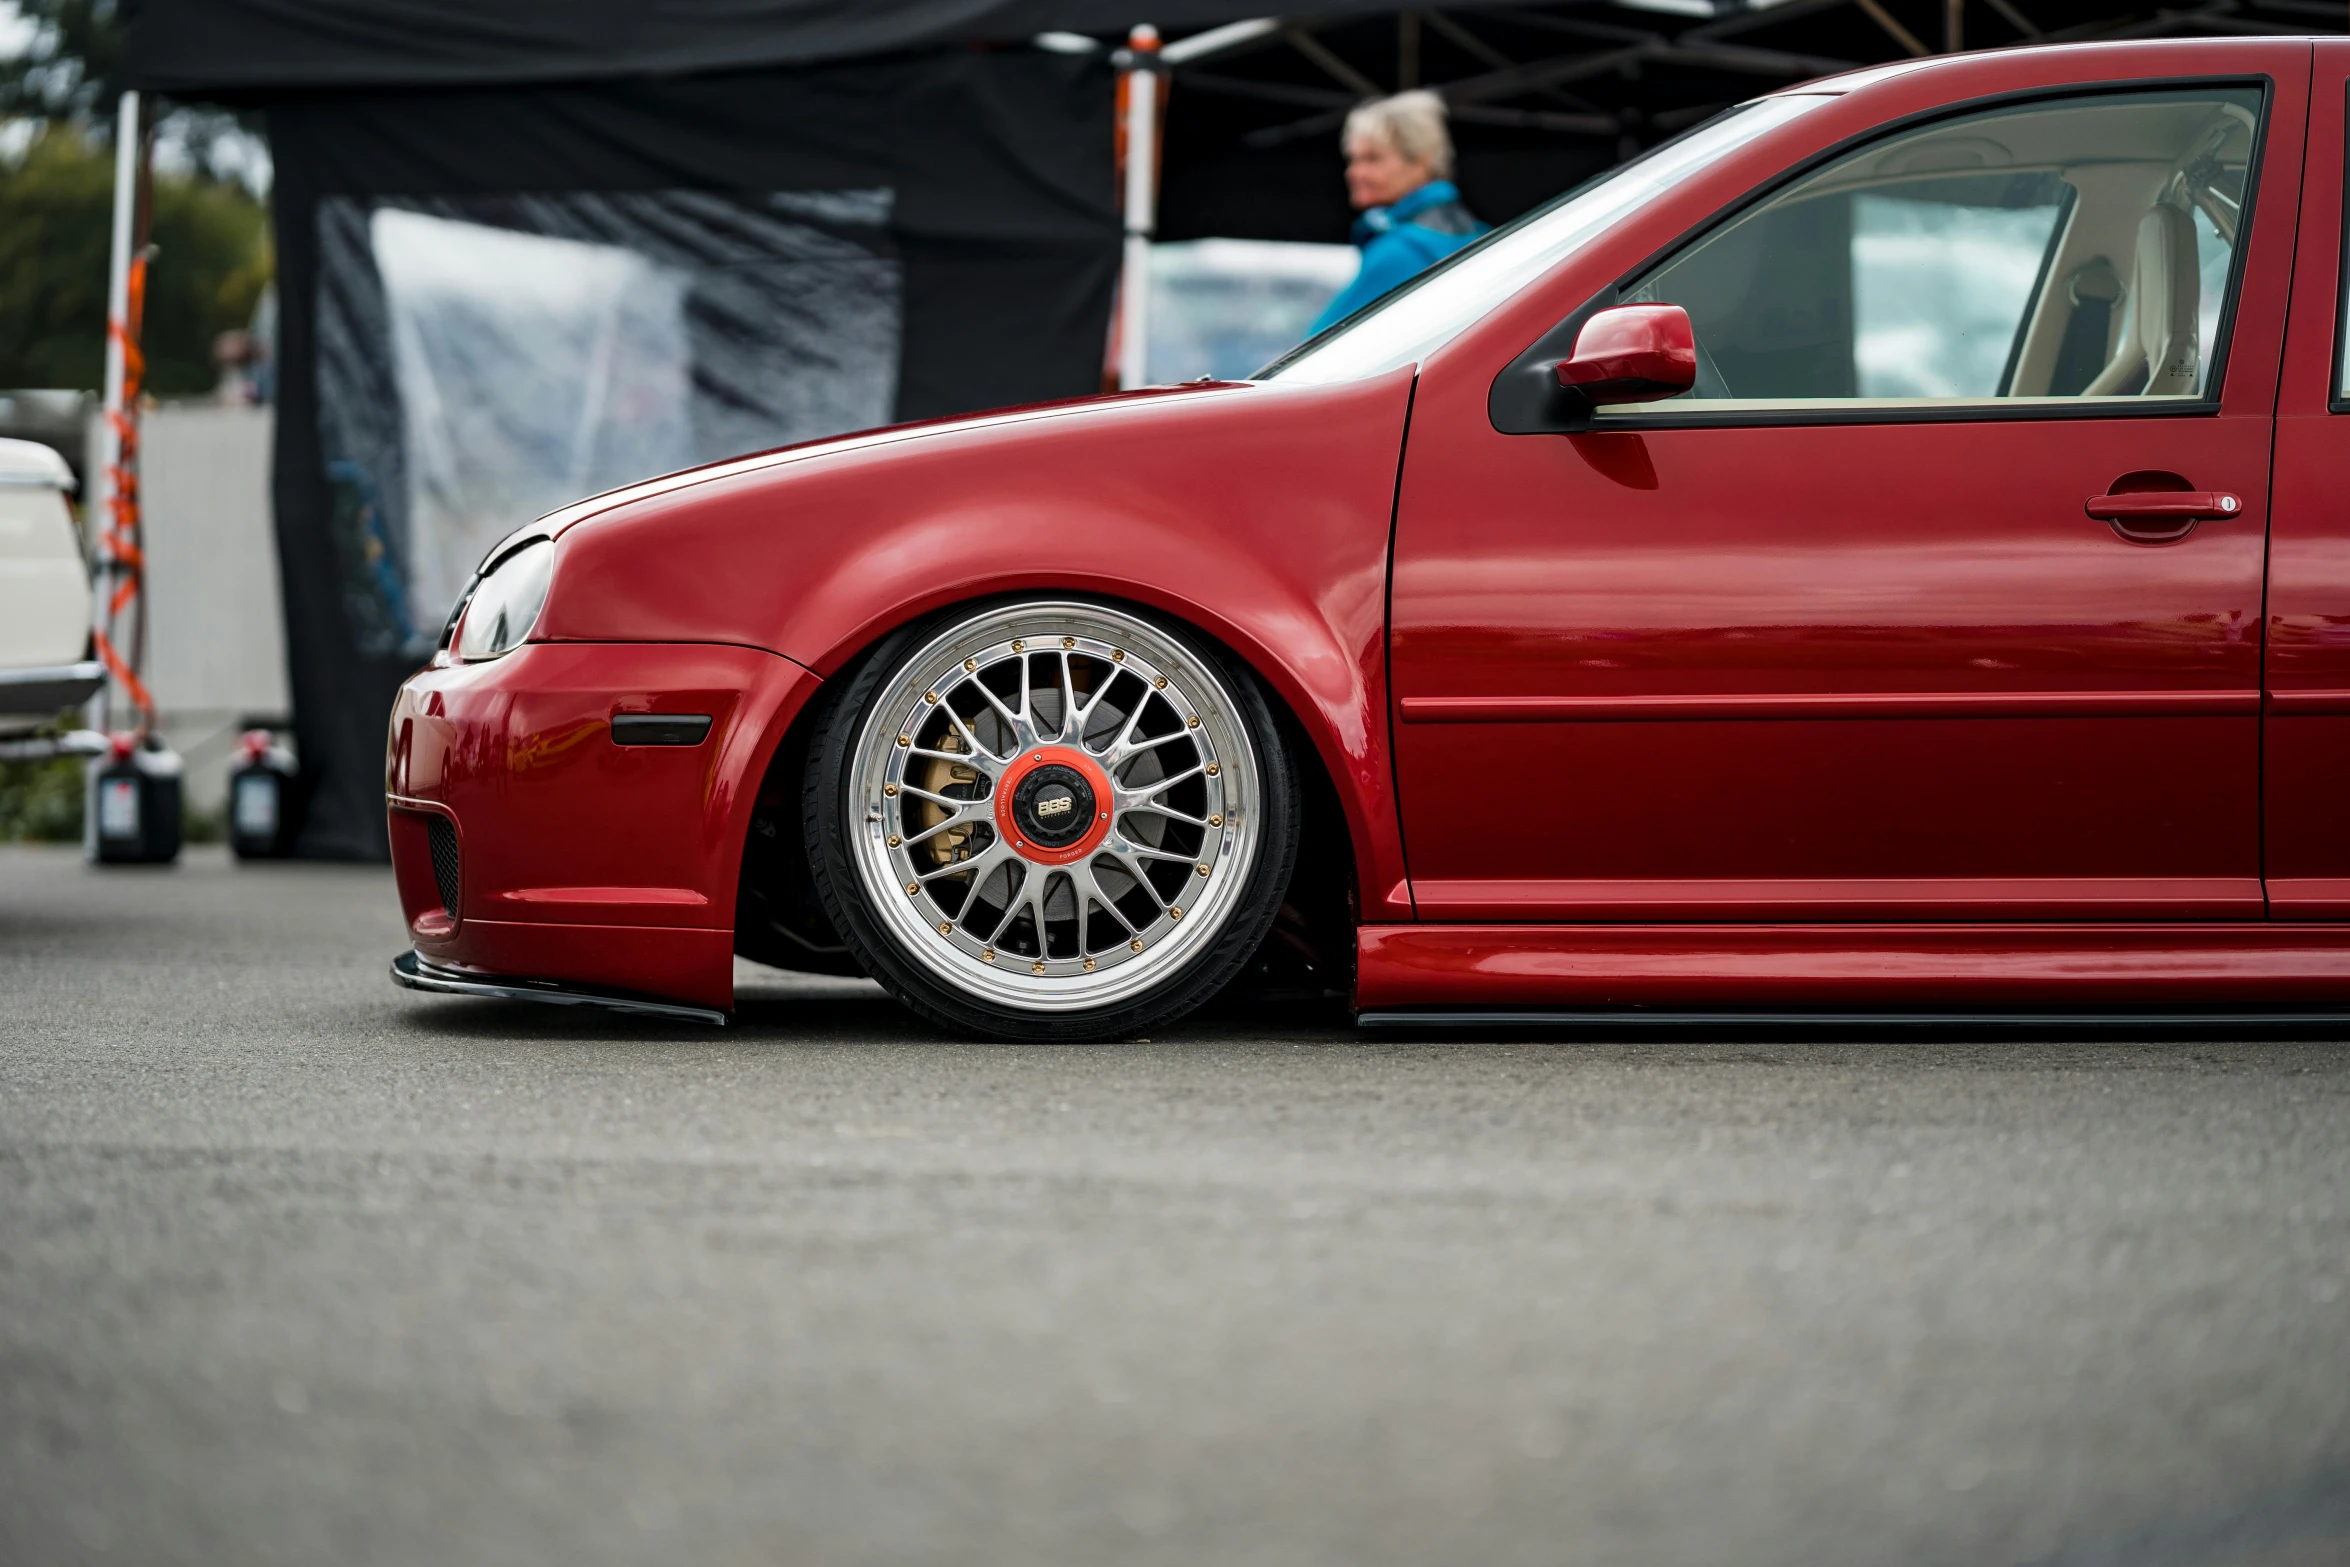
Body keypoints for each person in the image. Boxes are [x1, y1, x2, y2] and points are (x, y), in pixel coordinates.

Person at [1307, 90, 1489, 336]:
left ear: (1421, 162)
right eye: (1352, 160)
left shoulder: (1401, 251)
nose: (1354, 173)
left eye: (1372, 159)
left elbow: (1313, 351)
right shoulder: (1486, 238)